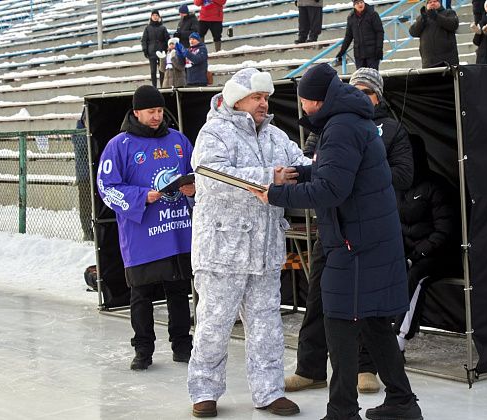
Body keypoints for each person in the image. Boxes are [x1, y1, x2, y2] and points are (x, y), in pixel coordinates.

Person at [249, 63, 422, 420]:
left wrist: (276, 194)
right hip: (367, 238)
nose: (304, 109)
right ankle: (403, 402)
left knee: (340, 323)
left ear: (316, 100)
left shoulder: (341, 126)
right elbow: (342, 171)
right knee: (374, 324)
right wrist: (303, 173)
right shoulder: (350, 120)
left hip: (354, 244)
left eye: (304, 102)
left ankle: (342, 410)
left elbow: (331, 189)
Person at [187, 68, 309, 418]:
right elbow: (212, 175)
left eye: (266, 97)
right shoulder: (214, 133)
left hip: (266, 250)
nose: (263, 103)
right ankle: (204, 391)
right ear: (235, 99)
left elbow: (299, 163)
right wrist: (269, 176)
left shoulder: (274, 136)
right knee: (214, 324)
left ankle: (269, 392)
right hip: (222, 251)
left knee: (267, 327)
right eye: (257, 97)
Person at [285, 67, 414, 396]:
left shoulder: (383, 129)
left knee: (363, 310)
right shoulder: (328, 125)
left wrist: (356, 173)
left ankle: (363, 373)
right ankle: (310, 367)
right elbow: (317, 163)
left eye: (366, 91)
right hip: (332, 227)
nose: (360, 96)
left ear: (377, 97)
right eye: (355, 89)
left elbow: (399, 175)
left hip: (362, 230)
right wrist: (302, 173)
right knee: (321, 301)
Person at [96, 85, 195, 370]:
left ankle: (182, 344)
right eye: (151, 111)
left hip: (176, 230)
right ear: (137, 112)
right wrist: (143, 196)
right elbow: (107, 186)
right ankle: (143, 349)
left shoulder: (178, 140)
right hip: (142, 234)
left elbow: (195, 174)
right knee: (141, 293)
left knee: (178, 289)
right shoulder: (119, 145)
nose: (156, 116)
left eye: (160, 110)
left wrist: (192, 190)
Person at [393, 136, 459, 354]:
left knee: (415, 275)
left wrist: (416, 255)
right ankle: (374, 337)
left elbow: (445, 232)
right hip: (408, 251)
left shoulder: (435, 186)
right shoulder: (396, 185)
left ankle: (399, 341)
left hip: (439, 256)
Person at [409, 0, 459, 69]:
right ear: (426, 5)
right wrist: (422, 19)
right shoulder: (422, 18)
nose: (432, 3)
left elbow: (453, 25)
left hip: (447, 61)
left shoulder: (448, 12)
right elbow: (413, 32)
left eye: (435, 1)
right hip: (428, 62)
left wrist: (435, 16)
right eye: (430, 2)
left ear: (440, 3)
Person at [335, 0, 385, 70]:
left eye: (361, 2)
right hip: (359, 55)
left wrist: (379, 48)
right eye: (357, 3)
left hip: (372, 53)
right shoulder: (351, 17)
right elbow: (348, 36)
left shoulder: (373, 14)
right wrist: (342, 51)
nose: (360, 5)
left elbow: (380, 32)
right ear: (354, 5)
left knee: (372, 77)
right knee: (361, 78)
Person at [71, 111, 93, 241]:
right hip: (84, 175)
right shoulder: (79, 132)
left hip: (95, 175)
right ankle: (87, 231)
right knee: (85, 206)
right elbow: (82, 149)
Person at [141, 9, 170, 88]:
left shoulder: (163, 28)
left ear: (159, 17)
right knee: (153, 71)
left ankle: (162, 86)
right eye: (153, 15)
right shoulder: (147, 28)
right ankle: (154, 87)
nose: (155, 17)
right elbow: (144, 40)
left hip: (162, 52)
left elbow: (167, 39)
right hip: (152, 52)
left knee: (162, 70)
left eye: (156, 15)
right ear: (151, 17)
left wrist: (167, 49)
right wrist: (145, 50)